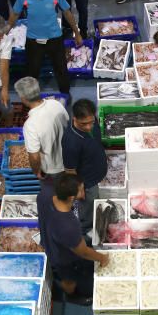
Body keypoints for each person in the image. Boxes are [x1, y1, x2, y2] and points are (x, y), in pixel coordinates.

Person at [37, 173, 109, 305]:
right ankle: (71, 296)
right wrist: (102, 258)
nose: (83, 193)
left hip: (48, 238)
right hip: (62, 256)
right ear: (71, 197)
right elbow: (83, 251)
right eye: (81, 190)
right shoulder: (68, 225)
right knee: (68, 279)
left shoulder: (44, 194)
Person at [8, 0, 83, 95]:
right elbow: (15, 14)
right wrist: (6, 31)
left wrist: (77, 33)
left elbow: (67, 13)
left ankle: (65, 93)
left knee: (61, 69)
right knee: (32, 70)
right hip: (33, 40)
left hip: (54, 38)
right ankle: (31, 96)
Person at [62, 99, 108, 237]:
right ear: (74, 118)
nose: (88, 127)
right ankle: (85, 231)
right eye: (84, 124)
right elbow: (70, 170)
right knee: (88, 208)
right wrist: (79, 189)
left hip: (96, 172)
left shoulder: (93, 123)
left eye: (91, 122)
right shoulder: (71, 141)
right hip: (88, 182)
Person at [14, 77, 69, 184]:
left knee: (58, 190)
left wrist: (36, 171)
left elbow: (34, 156)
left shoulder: (30, 125)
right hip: (69, 157)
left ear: (23, 98)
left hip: (53, 168)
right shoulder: (55, 103)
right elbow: (67, 123)